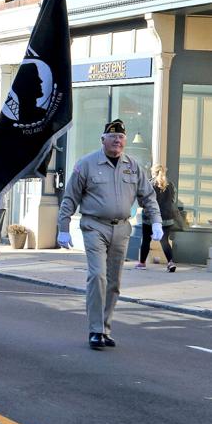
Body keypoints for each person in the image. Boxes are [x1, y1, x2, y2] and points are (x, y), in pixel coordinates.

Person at [57, 119, 161, 350]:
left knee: (114, 282)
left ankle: (105, 327)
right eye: (112, 136)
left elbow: (148, 197)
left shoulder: (133, 166)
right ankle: (95, 330)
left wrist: (156, 222)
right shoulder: (86, 164)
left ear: (125, 140)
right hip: (95, 226)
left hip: (122, 228)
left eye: (121, 137)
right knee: (97, 276)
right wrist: (63, 228)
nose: (117, 140)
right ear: (103, 139)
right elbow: (70, 197)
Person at [136, 165, 179, 272]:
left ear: (153, 172)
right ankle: (170, 262)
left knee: (146, 240)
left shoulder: (149, 184)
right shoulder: (171, 185)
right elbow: (173, 200)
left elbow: (142, 201)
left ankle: (142, 263)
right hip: (167, 217)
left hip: (150, 217)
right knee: (165, 241)